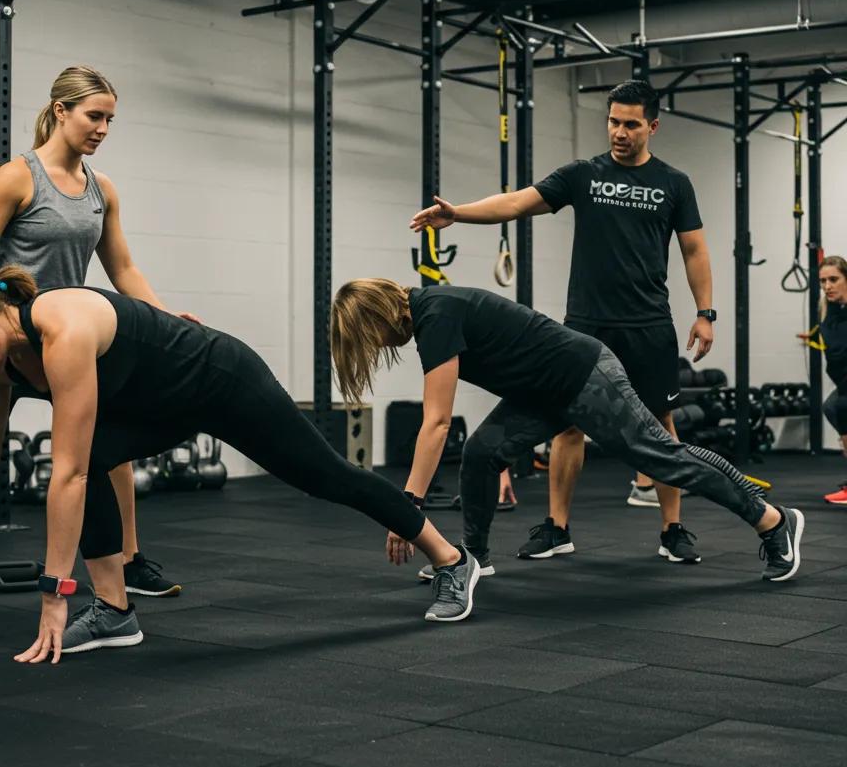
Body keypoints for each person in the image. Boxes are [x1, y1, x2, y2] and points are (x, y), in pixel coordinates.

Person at [0, 268, 480, 663]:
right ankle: (113, 610)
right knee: (98, 453)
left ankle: (451, 559)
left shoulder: (62, 327)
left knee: (324, 476)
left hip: (220, 380)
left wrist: (53, 594)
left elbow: (68, 475)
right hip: (156, 405)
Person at [412, 79, 714, 566]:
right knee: (569, 425)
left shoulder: (673, 183)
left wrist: (705, 313)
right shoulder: (583, 175)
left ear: (652, 126)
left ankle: (673, 528)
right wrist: (458, 214)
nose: (619, 131)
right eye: (613, 121)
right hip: (587, 325)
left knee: (661, 424)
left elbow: (694, 249)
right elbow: (517, 202)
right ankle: (557, 528)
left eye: (631, 124)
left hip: (648, 323)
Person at [331, 278, 804, 588]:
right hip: (543, 391)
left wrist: (406, 506)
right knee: (481, 453)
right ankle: (470, 557)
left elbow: (435, 423)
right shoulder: (431, 314)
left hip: (584, 375)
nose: (373, 348)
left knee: (663, 457)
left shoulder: (435, 314)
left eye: (366, 337)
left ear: (378, 317)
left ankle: (772, 521)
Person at [0, 66, 186, 604]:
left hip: (69, 340)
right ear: (61, 110)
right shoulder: (16, 178)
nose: (103, 129)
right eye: (95, 116)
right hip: (8, 338)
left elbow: (124, 268)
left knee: (110, 451)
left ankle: (130, 561)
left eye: (111, 120)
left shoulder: (101, 189)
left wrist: (164, 321)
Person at [799, 255, 847, 504]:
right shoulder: (829, 311)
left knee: (842, 407)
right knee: (831, 407)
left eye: (834, 280)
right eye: (823, 281)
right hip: (843, 381)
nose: (827, 285)